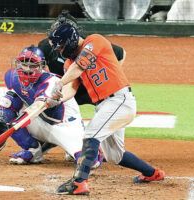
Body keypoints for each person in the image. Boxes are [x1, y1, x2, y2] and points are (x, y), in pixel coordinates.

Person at [48, 23, 165, 195]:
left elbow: (80, 66)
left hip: (119, 99)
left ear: (71, 40)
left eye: (61, 46)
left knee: (91, 135)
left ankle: (79, 182)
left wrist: (59, 82)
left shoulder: (95, 41)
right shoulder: (69, 64)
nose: (60, 50)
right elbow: (71, 88)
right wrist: (55, 99)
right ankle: (152, 173)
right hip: (104, 106)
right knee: (115, 156)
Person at [0, 45, 102, 167]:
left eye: (33, 65)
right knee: (5, 105)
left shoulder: (51, 82)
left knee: (90, 162)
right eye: (24, 64)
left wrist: (18, 122)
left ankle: (90, 145)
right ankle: (32, 150)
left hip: (65, 126)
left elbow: (38, 106)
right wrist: (4, 122)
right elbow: (16, 98)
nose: (28, 69)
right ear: (18, 63)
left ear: (41, 66)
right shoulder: (12, 77)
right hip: (42, 121)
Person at [38, 10, 126, 105]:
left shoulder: (90, 42)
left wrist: (109, 77)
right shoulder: (46, 46)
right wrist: (53, 97)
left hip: (91, 88)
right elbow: (41, 68)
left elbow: (121, 53)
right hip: (67, 88)